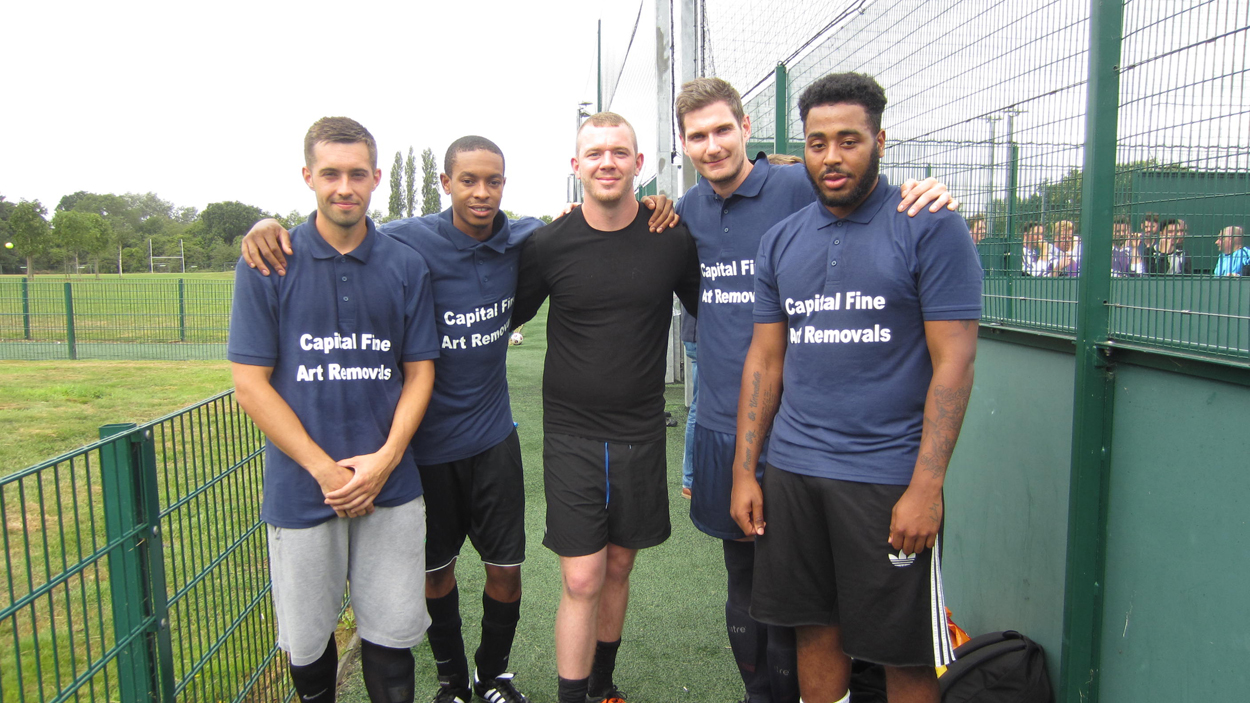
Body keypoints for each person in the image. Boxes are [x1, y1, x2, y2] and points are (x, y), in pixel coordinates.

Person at [239, 137, 678, 703]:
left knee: (506, 571)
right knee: (435, 574)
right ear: (445, 184)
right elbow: (343, 222)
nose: (481, 192)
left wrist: (652, 202)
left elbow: (581, 221)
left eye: (492, 181)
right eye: (467, 180)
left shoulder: (524, 237)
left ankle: (492, 674)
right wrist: (265, 222)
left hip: (493, 438)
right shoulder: (405, 239)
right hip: (424, 449)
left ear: (504, 185)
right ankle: (450, 681)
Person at [672, 76, 954, 703]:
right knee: (788, 615)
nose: (833, 155)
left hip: (866, 466)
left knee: (889, 642)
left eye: (849, 140)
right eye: (819, 142)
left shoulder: (886, 211)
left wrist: (926, 487)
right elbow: (760, 359)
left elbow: (953, 367)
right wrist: (741, 466)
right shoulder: (721, 223)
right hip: (762, 450)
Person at [229, 116, 441, 703]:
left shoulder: (405, 265)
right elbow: (250, 383)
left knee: (392, 641)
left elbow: (419, 371)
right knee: (308, 645)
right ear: (307, 177)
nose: (343, 186)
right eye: (330, 173)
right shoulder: (269, 262)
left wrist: (382, 462)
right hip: (303, 490)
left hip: (391, 488)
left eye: (356, 174)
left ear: (376, 178)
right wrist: (327, 471)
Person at [510, 111, 702, 703]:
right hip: (571, 433)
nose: (607, 163)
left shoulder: (670, 237)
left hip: (642, 429)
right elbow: (502, 313)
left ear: (639, 165)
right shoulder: (549, 243)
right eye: (594, 153)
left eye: (620, 152)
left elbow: (711, 311)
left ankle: (602, 685)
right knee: (583, 574)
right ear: (576, 167)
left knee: (619, 566)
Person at [680, 304, 697, 499]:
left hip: (694, 332)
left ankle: (690, 479)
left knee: (698, 407)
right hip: (700, 333)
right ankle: (690, 480)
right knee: (699, 408)